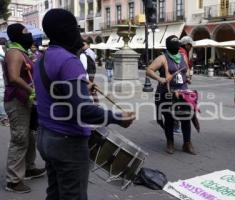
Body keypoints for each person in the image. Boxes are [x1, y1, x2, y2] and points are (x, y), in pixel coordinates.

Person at [35, 9, 135, 200]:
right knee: (74, 196)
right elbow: (84, 111)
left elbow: (54, 92)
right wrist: (117, 118)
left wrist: (80, 87)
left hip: (46, 137)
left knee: (54, 192)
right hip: (67, 143)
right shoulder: (69, 61)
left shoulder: (42, 59)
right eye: (75, 29)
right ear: (69, 31)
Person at [3, 23, 46, 193]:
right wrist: (31, 90)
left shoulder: (21, 51)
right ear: (17, 34)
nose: (28, 34)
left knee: (29, 136)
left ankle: (28, 168)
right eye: (25, 31)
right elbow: (13, 77)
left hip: (24, 101)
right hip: (16, 101)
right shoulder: (14, 52)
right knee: (20, 138)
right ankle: (13, 181)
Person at [146, 35, 196, 155]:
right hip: (167, 93)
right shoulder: (163, 58)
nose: (176, 48)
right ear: (168, 47)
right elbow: (149, 70)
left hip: (183, 92)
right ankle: (170, 142)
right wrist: (161, 79)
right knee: (169, 118)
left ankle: (187, 143)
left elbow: (186, 69)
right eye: (173, 46)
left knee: (186, 117)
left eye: (177, 45)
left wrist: (188, 77)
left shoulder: (183, 56)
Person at [173, 36, 194, 135]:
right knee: (182, 104)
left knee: (175, 103)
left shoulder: (177, 50)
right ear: (186, 45)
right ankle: (176, 126)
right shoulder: (182, 52)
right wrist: (188, 78)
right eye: (190, 45)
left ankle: (175, 124)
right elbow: (184, 67)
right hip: (180, 83)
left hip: (174, 81)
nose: (191, 47)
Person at [0, 37, 9, 126]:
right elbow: (5, 58)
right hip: (0, 79)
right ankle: (4, 118)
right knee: (1, 98)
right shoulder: (1, 50)